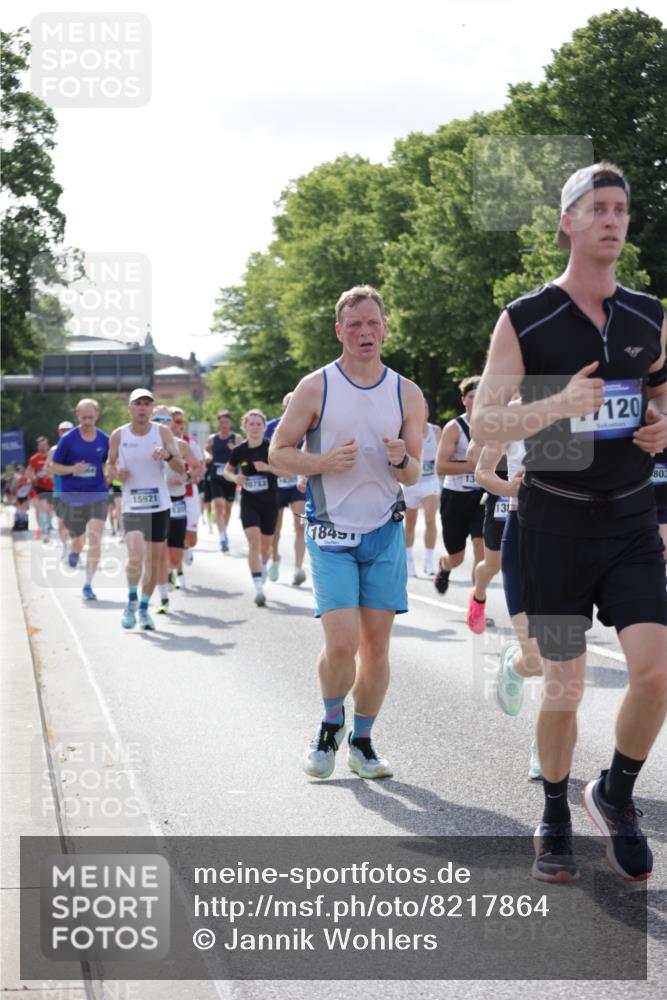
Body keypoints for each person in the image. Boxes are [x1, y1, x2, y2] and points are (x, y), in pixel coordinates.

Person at [472, 162, 667, 883]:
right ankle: (553, 811)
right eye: (598, 209)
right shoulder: (526, 317)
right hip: (551, 530)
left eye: (621, 209)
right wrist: (556, 406)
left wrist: (658, 426)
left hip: (627, 527)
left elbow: (658, 396)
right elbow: (486, 420)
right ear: (567, 222)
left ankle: (614, 796)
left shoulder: (647, 313)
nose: (613, 220)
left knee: (654, 674)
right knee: (564, 686)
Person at [269, 285, 423, 780]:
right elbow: (277, 453)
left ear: (384, 327)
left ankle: (362, 741)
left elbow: (414, 473)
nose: (364, 332)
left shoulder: (407, 392)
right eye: (354, 324)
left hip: (383, 532)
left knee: (376, 649)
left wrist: (402, 459)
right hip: (329, 530)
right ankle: (329, 723)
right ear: (340, 331)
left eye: (372, 323)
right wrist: (321, 463)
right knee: (342, 644)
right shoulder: (317, 386)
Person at [474, 428, 543, 779]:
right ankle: (516, 665)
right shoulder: (516, 410)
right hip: (522, 526)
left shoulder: (586, 400)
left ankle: (544, 747)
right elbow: (483, 471)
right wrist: (506, 487)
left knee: (562, 653)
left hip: (576, 535)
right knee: (537, 655)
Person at [106, 388, 184, 630]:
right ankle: (131, 602)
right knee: (134, 558)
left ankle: (143, 608)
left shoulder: (162, 432)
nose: (142, 408)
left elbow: (181, 468)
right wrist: (116, 473)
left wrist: (168, 456)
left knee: (152, 561)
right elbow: (107, 468)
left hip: (159, 506)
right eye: (137, 404)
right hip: (132, 506)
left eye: (146, 404)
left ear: (152, 408)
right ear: (130, 408)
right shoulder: (119, 435)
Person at [50, 400, 109, 600]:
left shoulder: (104, 440)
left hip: (98, 494)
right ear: (77, 416)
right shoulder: (67, 440)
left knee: (95, 538)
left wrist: (113, 472)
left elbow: (111, 464)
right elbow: (53, 466)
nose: (87, 421)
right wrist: (72, 469)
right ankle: (74, 552)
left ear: (97, 415)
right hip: (73, 497)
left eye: (90, 418)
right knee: (79, 540)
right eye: (83, 418)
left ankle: (88, 584)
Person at [223, 409, 279, 606]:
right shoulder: (240, 451)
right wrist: (235, 477)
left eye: (258, 424)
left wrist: (269, 468)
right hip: (249, 502)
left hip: (270, 502)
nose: (255, 427)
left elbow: (289, 471)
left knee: (266, 547)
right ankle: (258, 588)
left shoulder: (272, 448)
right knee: (254, 543)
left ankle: (263, 565)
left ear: (264, 427)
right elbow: (227, 471)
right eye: (251, 424)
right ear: (245, 427)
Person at [433, 377, 484, 595]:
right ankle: (444, 566)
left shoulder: (495, 424)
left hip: (483, 496)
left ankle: (477, 604)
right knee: (457, 556)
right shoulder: (455, 428)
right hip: (456, 497)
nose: (476, 400)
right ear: (464, 400)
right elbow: (441, 466)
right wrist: (473, 465)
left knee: (482, 548)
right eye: (472, 396)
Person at [265, 392, 308, 586]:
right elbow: (265, 453)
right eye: (289, 404)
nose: (293, 406)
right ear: (283, 407)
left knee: (300, 525)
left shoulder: (309, 425)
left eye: (296, 403)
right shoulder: (272, 427)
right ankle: (274, 558)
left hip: (298, 482)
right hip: (277, 482)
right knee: (275, 526)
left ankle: (298, 568)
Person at [402, 400, 441, 577]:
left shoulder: (436, 431)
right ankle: (409, 561)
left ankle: (429, 561)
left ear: (427, 411)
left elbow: (443, 454)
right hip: (411, 483)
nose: (422, 411)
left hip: (430, 481)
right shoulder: (406, 430)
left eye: (425, 408)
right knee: (410, 524)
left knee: (430, 519)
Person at [170, 408, 205, 567]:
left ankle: (185, 546)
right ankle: (173, 573)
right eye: (177, 421)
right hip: (167, 495)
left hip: (188, 493)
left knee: (191, 539)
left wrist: (187, 476)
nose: (181, 425)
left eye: (182, 421)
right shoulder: (158, 442)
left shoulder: (189, 443)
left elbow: (201, 467)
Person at [204, 411, 243, 552]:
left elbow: (244, 455)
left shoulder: (236, 438)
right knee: (219, 506)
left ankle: (224, 531)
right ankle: (222, 538)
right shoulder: (212, 438)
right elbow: (206, 450)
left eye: (226, 422)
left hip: (230, 476)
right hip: (216, 475)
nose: (224, 425)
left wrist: (236, 450)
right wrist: (208, 455)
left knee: (228, 508)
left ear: (230, 423)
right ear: (218, 423)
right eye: (221, 422)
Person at [46, 420, 74, 559]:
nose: (65, 432)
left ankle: (74, 546)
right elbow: (47, 469)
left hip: (77, 490)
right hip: (60, 490)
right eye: (63, 430)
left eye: (68, 430)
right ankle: (66, 546)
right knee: (62, 521)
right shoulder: (54, 450)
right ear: (58, 432)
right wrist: (54, 469)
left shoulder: (78, 448)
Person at [27, 436, 54, 541]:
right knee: (42, 507)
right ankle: (41, 528)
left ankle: (48, 523)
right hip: (39, 487)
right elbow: (29, 471)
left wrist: (51, 474)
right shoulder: (34, 458)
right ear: (38, 447)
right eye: (41, 445)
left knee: (50, 508)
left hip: (51, 486)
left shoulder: (52, 456)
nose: (43, 447)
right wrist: (33, 477)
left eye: (45, 445)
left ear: (48, 445)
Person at [11, 464, 31, 531]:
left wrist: (28, 498)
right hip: (18, 496)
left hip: (25, 496)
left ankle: (24, 525)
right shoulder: (15, 477)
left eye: (21, 469)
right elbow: (13, 488)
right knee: (18, 511)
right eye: (18, 469)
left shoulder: (27, 477)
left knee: (24, 512)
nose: (20, 470)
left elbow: (29, 487)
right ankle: (17, 524)